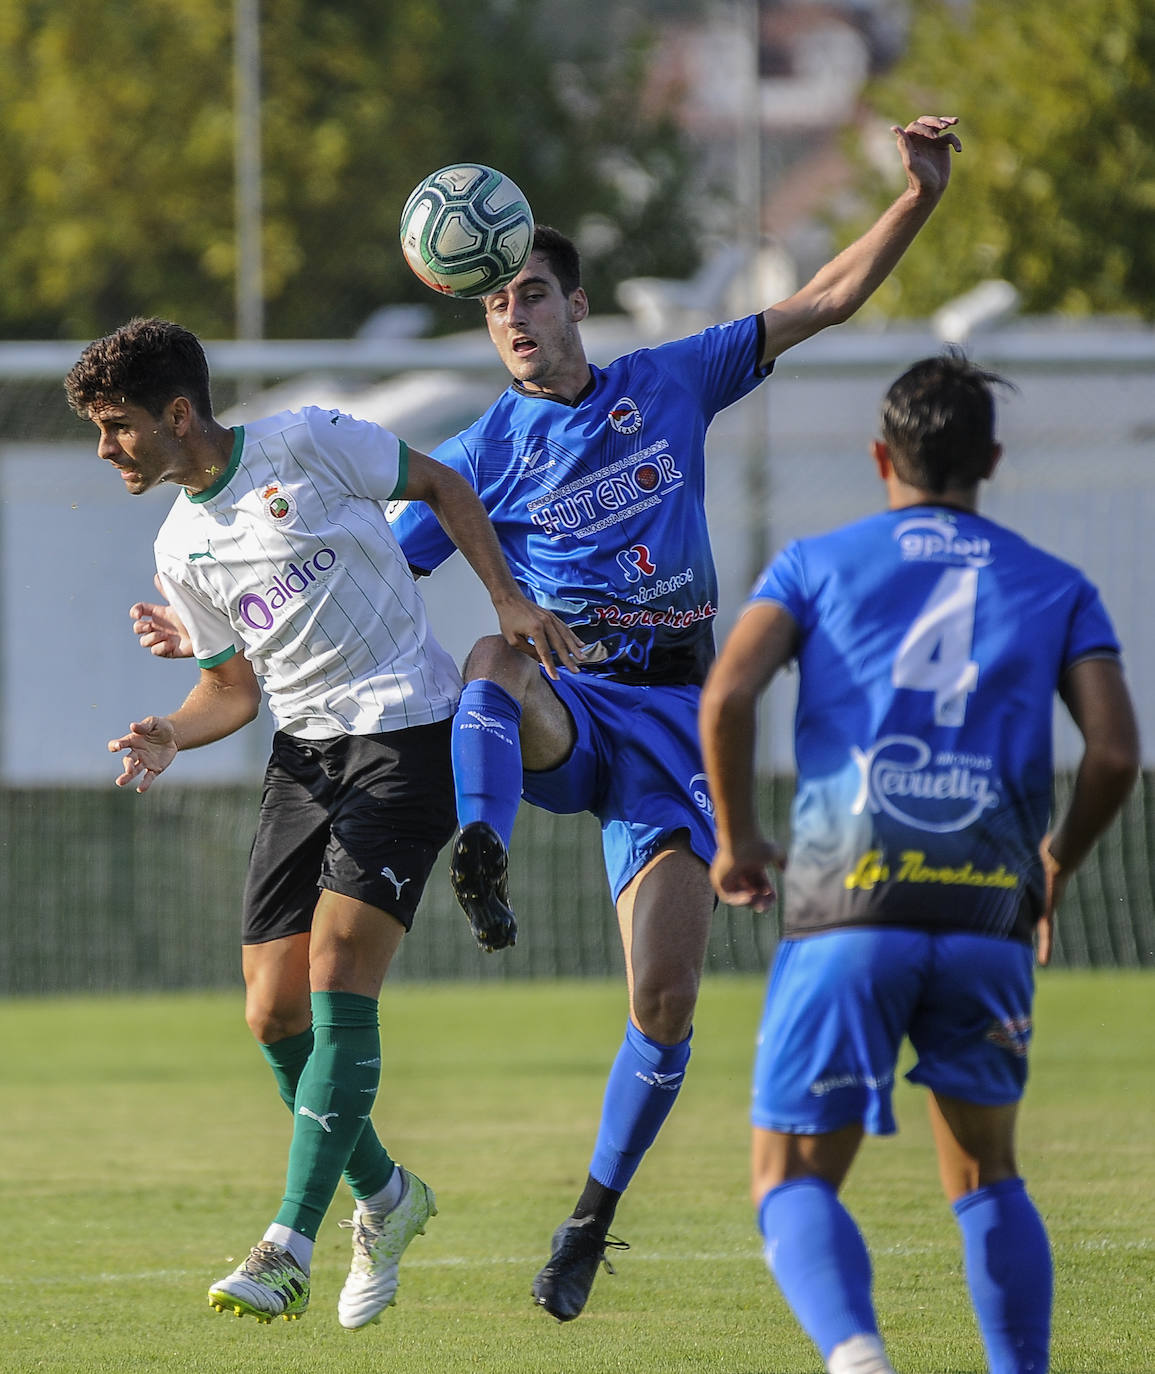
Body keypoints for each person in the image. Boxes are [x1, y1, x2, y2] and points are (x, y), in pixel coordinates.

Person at [131, 114, 962, 1322]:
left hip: (674, 719)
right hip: (561, 709)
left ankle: (589, 1220)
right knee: (489, 652)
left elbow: (825, 298)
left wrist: (919, 196)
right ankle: (484, 850)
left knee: (667, 1002)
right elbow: (341, 569)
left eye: (530, 295)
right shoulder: (482, 451)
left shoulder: (672, 379)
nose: (513, 318)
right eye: (495, 306)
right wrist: (219, 639)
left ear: (575, 306)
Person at [64, 317, 580, 1330]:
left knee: (339, 976)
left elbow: (444, 485)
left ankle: (289, 1244)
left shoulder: (307, 441)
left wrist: (507, 599)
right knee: (271, 1015)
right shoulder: (179, 546)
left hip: (405, 734)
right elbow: (232, 689)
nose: (104, 448)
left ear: (177, 415)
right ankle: (388, 1198)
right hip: (302, 759)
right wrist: (173, 730)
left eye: (117, 426)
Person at [698, 351, 1140, 1374]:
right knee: (988, 1173)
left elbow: (726, 697)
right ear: (989, 458)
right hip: (989, 916)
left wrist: (736, 839)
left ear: (878, 458)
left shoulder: (816, 562)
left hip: (849, 904)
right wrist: (1058, 859)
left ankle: (858, 1357)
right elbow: (1116, 752)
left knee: (791, 1178)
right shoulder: (1058, 585)